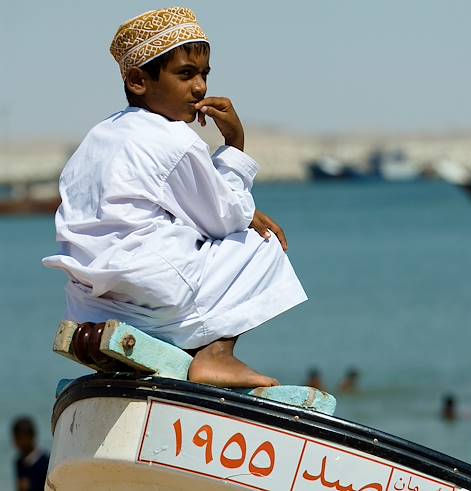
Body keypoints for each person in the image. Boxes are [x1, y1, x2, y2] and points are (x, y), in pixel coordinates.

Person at [42, 7, 307, 388]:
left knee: (192, 234)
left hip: (89, 305)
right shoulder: (174, 140)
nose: (199, 88)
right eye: (185, 74)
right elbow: (225, 217)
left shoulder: (96, 138)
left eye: (204, 74)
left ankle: (171, 351)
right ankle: (216, 356)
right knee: (261, 241)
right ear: (138, 80)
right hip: (154, 294)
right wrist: (235, 144)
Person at [12, 417, 50, 491]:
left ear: (32, 436)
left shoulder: (46, 462)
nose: (20, 442)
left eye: (22, 438)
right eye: (17, 438)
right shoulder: (19, 462)